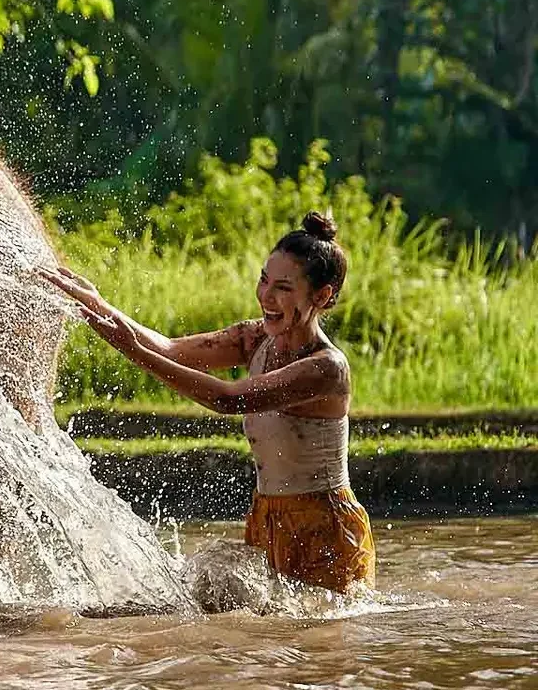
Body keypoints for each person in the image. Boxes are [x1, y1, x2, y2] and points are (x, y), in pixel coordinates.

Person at [40, 210, 376, 594]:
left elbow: (227, 399)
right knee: (266, 641)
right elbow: (170, 349)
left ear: (321, 296)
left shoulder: (326, 368)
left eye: (283, 288)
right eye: (263, 280)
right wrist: (98, 304)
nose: (266, 296)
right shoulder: (254, 339)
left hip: (325, 526)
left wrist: (131, 350)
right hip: (267, 517)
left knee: (321, 642)